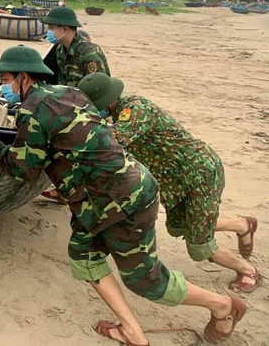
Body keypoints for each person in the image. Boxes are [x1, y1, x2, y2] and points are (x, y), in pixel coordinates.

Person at [0, 45, 247, 346]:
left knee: (146, 281)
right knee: (84, 254)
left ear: (23, 77)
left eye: (5, 79)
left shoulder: (32, 110)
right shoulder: (70, 93)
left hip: (121, 202)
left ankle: (224, 307)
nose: (3, 86)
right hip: (107, 196)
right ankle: (133, 332)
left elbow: (24, 169)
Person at [77, 72, 262, 293]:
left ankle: (248, 270)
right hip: (176, 181)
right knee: (178, 228)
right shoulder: (118, 112)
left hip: (199, 174)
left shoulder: (134, 110)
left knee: (200, 247)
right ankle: (242, 225)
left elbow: (115, 139)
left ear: (107, 100)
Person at [43, 7, 110, 86]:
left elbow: (99, 87)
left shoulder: (88, 53)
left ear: (64, 29)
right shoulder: (60, 50)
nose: (48, 31)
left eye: (51, 28)